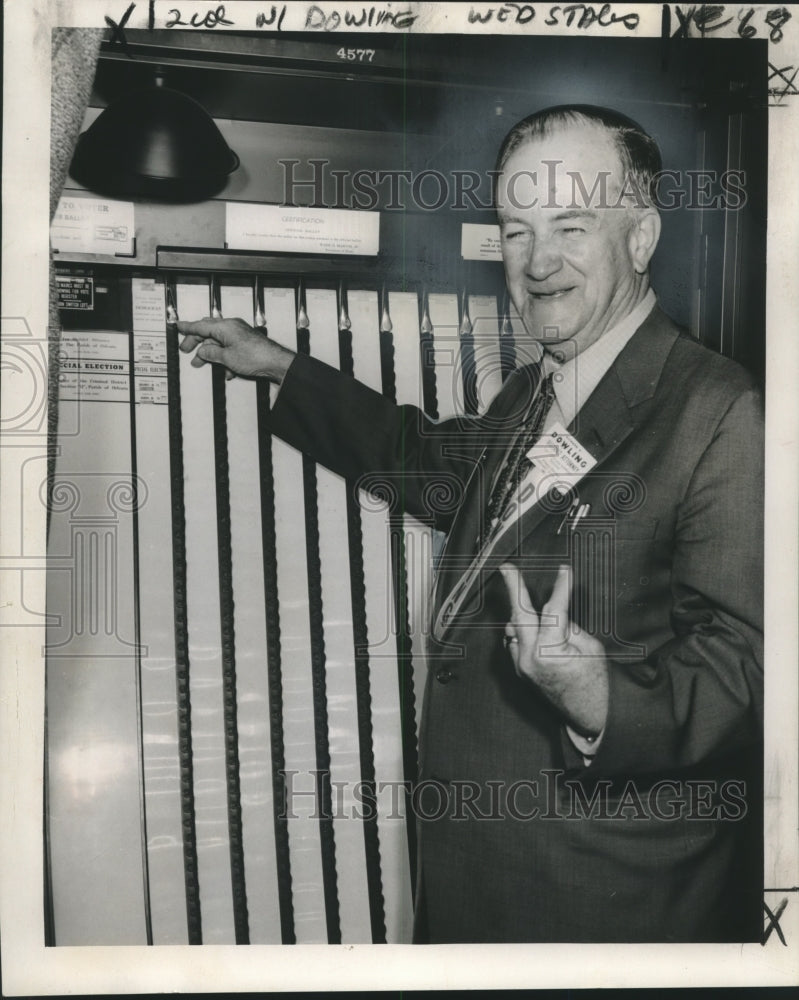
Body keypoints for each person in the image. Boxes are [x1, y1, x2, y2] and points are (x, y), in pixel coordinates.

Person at [177, 106, 764, 943]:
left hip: (604, 906)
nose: (538, 262)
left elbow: (751, 673)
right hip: (480, 878)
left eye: (570, 225)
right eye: (515, 231)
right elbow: (441, 469)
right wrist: (281, 367)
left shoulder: (718, 410)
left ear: (640, 237)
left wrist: (600, 695)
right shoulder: (534, 390)